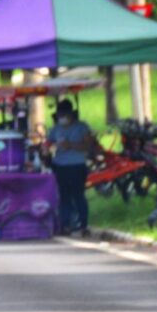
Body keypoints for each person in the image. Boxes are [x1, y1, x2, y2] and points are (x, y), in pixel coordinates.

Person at [46, 99, 93, 236]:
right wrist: (47, 147)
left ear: (71, 114)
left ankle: (83, 225)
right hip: (60, 166)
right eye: (60, 115)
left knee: (79, 196)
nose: (62, 118)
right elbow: (49, 142)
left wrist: (71, 145)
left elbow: (87, 145)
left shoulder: (81, 127)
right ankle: (65, 224)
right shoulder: (56, 129)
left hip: (77, 165)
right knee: (64, 197)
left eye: (64, 115)